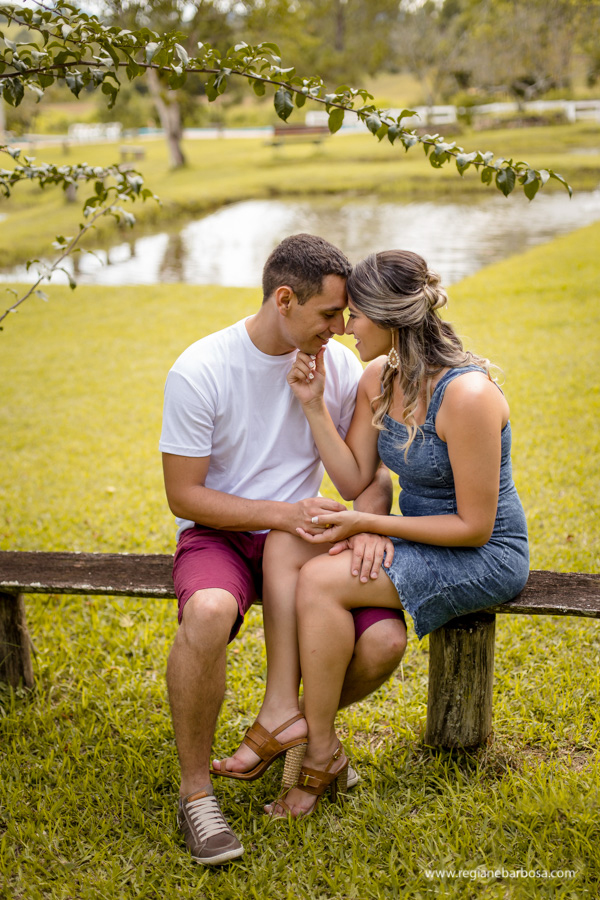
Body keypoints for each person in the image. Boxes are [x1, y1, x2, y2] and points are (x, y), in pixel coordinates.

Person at [159, 234, 406, 866]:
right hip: (225, 531)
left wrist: (371, 520)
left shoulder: (341, 367)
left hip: (306, 537)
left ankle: (298, 730)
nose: (341, 330)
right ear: (285, 298)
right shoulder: (202, 368)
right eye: (329, 315)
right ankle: (197, 795)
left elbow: (367, 478)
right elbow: (184, 496)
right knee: (209, 612)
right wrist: (282, 514)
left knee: (383, 643)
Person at [261, 248, 529, 819]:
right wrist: (312, 409)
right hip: (418, 534)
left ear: (388, 318)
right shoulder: (378, 378)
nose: (344, 328)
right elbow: (356, 476)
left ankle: (312, 753)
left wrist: (366, 523)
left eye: (354, 315)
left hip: (484, 553)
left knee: (321, 581)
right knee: (310, 563)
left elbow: (475, 526)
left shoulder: (468, 396)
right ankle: (320, 747)